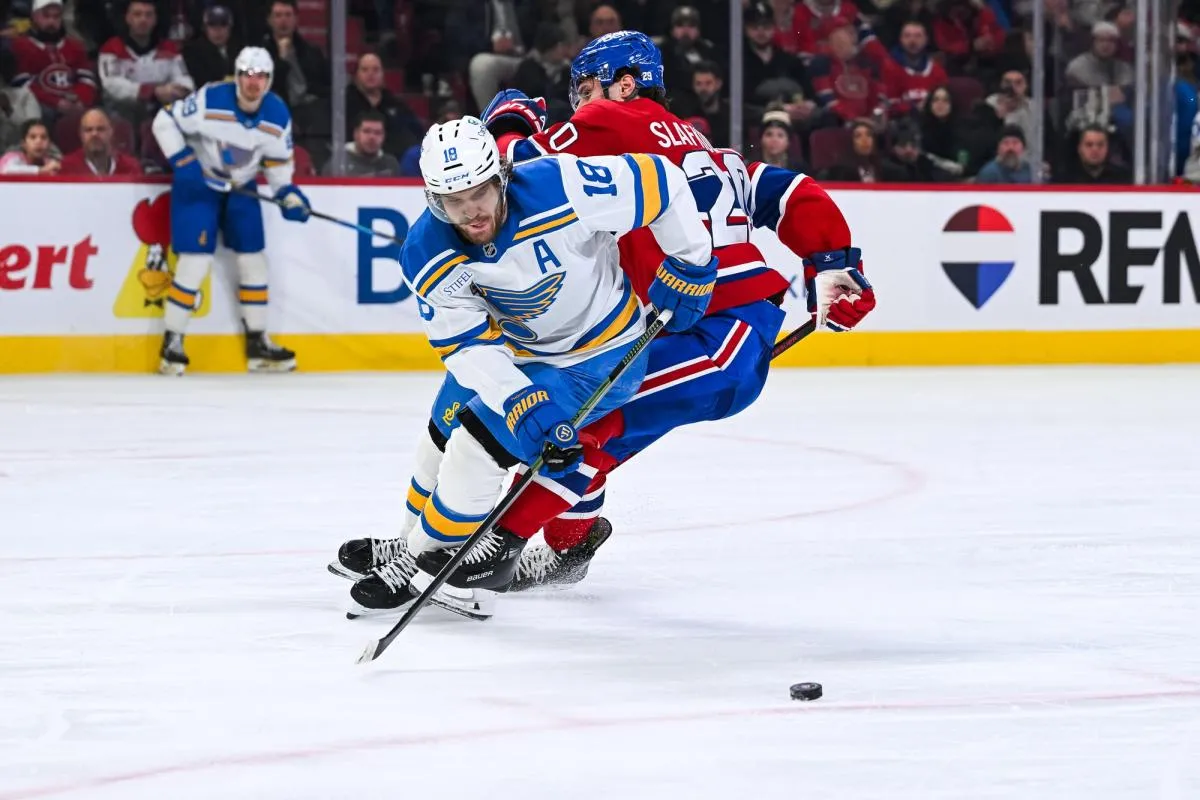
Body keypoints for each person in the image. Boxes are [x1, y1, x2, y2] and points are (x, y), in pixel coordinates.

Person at [332, 31, 873, 615]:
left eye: (587, 90)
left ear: (624, 82)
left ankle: (486, 542)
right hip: (702, 324)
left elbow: (520, 172)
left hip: (718, 332)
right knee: (579, 431)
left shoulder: (611, 119)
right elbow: (789, 192)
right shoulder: (713, 151)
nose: (582, 104)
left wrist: (510, 121)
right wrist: (834, 264)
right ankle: (562, 542)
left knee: (589, 423)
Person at [342, 115, 717, 618]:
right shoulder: (426, 250)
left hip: (601, 354)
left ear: (500, 176)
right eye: (454, 201)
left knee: (475, 447)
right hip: (523, 351)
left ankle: (426, 558)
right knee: (441, 432)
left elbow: (663, 181)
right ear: (435, 200)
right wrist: (520, 399)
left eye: (479, 192)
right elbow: (465, 346)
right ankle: (415, 539)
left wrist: (691, 261)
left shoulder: (562, 184)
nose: (471, 212)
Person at [150, 46, 311, 376]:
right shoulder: (210, 99)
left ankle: (257, 344)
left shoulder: (277, 116)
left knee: (254, 261)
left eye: (261, 76)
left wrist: (289, 195)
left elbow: (280, 170)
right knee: (195, 263)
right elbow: (163, 121)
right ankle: (173, 341)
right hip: (199, 185)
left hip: (243, 187)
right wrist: (183, 162)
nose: (254, 83)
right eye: (248, 75)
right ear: (237, 76)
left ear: (269, 80)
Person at [97, 0, 193, 124]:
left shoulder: (169, 48)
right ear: (128, 18)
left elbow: (183, 78)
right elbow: (111, 85)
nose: (143, 20)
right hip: (120, 117)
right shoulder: (111, 48)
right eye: (137, 14)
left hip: (162, 113)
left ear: (155, 19)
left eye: (148, 15)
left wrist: (180, 90)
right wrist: (151, 92)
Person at [59, 108, 144, 176]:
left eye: (100, 129)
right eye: (88, 130)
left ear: (111, 132)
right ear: (81, 135)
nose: (94, 134)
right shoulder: (67, 167)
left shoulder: (131, 166)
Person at [322, 109, 400, 177]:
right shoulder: (337, 164)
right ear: (355, 134)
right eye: (366, 131)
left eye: (378, 133)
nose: (372, 137)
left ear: (384, 136)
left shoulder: (391, 164)